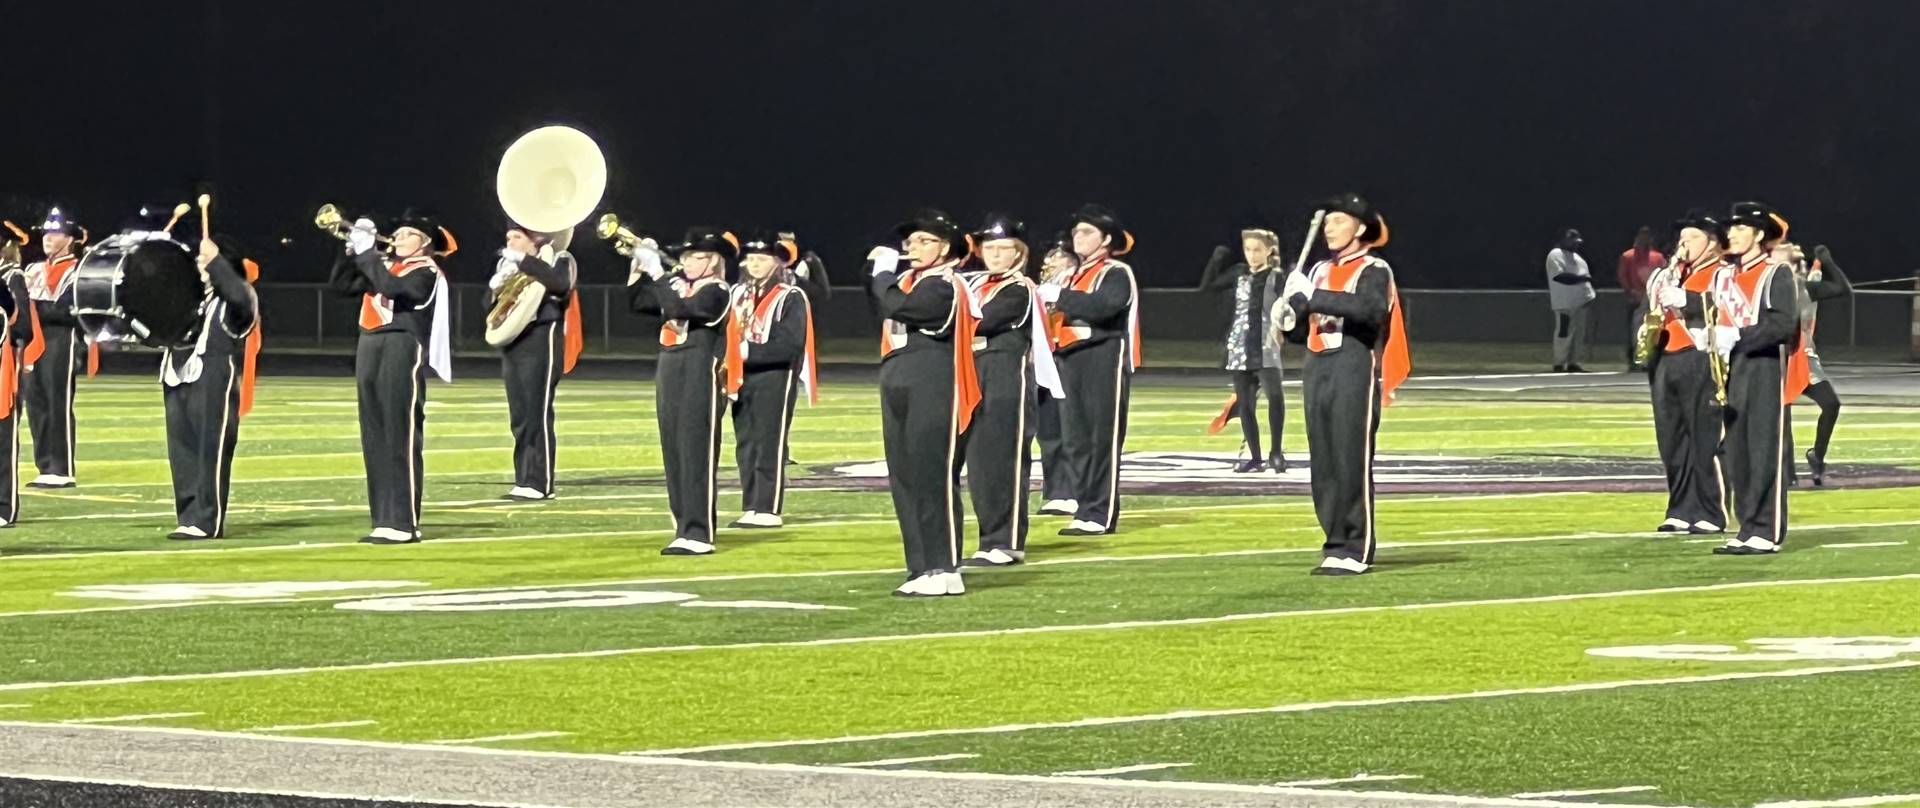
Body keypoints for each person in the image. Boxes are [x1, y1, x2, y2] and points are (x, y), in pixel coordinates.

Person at [1274, 193, 1410, 575]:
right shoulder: (1316, 271)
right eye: (1328, 222)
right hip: (1317, 366)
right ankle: (1335, 542)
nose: (1329, 229)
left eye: (1338, 221)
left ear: (1360, 228)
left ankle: (1356, 546)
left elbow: (1369, 310)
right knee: (1325, 462)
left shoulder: (1374, 268)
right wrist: (1290, 314)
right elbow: (1305, 331)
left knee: (1350, 457)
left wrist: (1312, 296)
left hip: (1353, 364)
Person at [869, 208, 979, 596]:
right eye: (910, 242)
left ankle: (945, 565)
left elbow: (899, 307)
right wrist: (887, 280)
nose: (913, 248)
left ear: (945, 248)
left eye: (924, 241)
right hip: (898, 378)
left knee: (933, 475)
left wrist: (881, 275)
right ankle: (920, 566)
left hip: (934, 381)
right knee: (905, 476)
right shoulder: (907, 282)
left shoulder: (944, 284)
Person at [330, 210, 453, 544]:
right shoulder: (385, 265)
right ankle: (383, 517)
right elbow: (341, 286)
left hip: (402, 342)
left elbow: (392, 288)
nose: (397, 238)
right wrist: (350, 253)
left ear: (424, 243)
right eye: (396, 233)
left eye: (407, 234)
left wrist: (369, 253)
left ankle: (404, 521)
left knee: (399, 431)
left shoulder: (426, 271)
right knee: (374, 433)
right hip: (370, 342)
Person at [961, 213, 1062, 566]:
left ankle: (1006, 541)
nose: (996, 255)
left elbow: (981, 322)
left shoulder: (1019, 289)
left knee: (1003, 462)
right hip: (974, 377)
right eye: (990, 248)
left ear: (1019, 253)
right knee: (980, 466)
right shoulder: (974, 285)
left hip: (1005, 381)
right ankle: (989, 538)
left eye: (1004, 249)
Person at [629, 228, 734, 555]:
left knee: (696, 450)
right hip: (670, 367)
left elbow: (684, 310)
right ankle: (683, 526)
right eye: (686, 257)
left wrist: (659, 272)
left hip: (699, 369)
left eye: (697, 257)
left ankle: (700, 531)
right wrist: (637, 269)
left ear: (714, 261)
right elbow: (639, 303)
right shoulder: (677, 285)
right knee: (674, 450)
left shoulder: (717, 290)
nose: (688, 263)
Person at [150, 233, 262, 540]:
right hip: (177, 373)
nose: (199, 265)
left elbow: (240, 298)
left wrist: (217, 263)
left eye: (204, 261)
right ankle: (188, 515)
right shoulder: (187, 300)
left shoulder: (236, 299)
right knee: (181, 448)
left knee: (210, 448)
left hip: (213, 375)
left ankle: (207, 519)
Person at [1038, 204, 1141, 537]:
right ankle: (1084, 506)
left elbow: (1105, 307)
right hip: (1069, 359)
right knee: (1076, 439)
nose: (1077, 237)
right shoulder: (1072, 274)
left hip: (1102, 358)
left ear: (1106, 239)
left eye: (1086, 232)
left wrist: (1060, 296)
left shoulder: (1115, 272)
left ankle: (1100, 512)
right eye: (1076, 232)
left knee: (1101, 438)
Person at [1710, 201, 1802, 556]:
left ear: (1759, 234)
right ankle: (1747, 525)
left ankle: (1766, 529)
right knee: (1736, 453)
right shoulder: (1724, 276)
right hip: (1731, 370)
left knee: (1763, 450)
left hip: (1763, 368)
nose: (1731, 234)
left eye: (1740, 228)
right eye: (1730, 228)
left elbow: (1782, 325)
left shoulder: (1775, 274)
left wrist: (1740, 337)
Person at [1644, 210, 1729, 535]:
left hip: (1699, 357)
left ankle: (1710, 511)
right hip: (1665, 360)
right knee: (1671, 440)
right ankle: (1679, 508)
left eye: (1692, 238)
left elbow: (1726, 306)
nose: (1684, 244)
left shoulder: (1720, 273)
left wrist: (1689, 301)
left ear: (1712, 245)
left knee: (1703, 439)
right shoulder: (1669, 273)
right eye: (1682, 238)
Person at [724, 232, 817, 529]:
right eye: (750, 259)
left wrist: (747, 349)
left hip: (775, 375)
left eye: (762, 259)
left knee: (769, 440)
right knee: (746, 441)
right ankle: (751, 503)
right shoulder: (738, 293)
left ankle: (768, 506)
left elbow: (790, 345)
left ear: (776, 262)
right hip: (742, 375)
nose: (754, 264)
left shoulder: (790, 296)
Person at [490, 223, 581, 501]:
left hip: (541, 340)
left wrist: (525, 262)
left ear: (535, 240)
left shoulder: (560, 258)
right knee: (520, 414)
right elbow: (493, 308)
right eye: (509, 237)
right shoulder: (512, 265)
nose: (510, 242)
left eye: (516, 237)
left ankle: (540, 481)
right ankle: (524, 478)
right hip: (515, 340)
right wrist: (500, 281)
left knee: (536, 411)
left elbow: (559, 284)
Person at [1198, 226, 1287, 472]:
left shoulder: (1277, 276)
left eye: (1257, 250)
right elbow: (1208, 287)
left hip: (1266, 345)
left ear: (1269, 251)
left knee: (1275, 398)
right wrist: (1216, 260)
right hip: (1239, 345)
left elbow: (1290, 309)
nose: (1252, 254)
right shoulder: (1238, 273)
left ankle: (1276, 453)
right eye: (1248, 249)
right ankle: (1255, 457)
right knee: (1245, 403)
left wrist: (1286, 320)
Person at [22, 208, 88, 488]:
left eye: (56, 232)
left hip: (62, 339)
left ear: (70, 238)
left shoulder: (79, 270)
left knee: (56, 401)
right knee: (35, 404)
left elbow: (69, 311)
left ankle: (61, 467)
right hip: (33, 342)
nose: (48, 237)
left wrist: (31, 306)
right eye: (47, 232)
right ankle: (45, 465)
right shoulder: (33, 269)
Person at [1777, 242, 1849, 486]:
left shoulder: (1807, 288)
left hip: (1805, 358)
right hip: (1778, 359)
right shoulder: (1771, 287)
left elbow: (1842, 288)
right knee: (1781, 416)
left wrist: (1827, 262)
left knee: (1831, 404)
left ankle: (1817, 456)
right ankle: (1786, 474)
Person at [1033, 236, 1079, 515]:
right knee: (1048, 431)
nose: (1049, 261)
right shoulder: (1040, 289)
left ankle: (1074, 490)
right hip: (1043, 362)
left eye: (1057, 255)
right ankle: (1056, 491)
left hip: (1068, 361)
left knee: (1070, 430)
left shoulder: (1076, 286)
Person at [0, 223, 36, 526]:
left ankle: (3, 507)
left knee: (2, 439)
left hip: (4, 366)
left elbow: (24, 326)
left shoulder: (12, 278)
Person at [1618, 226, 1666, 371]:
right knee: (1634, 330)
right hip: (1636, 299)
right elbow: (1622, 275)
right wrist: (1630, 291)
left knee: (1652, 329)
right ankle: (1635, 360)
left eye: (1648, 236)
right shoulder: (1628, 256)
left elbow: (1663, 275)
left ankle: (1649, 359)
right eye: (1642, 235)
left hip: (1653, 300)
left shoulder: (1657, 256)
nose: (1645, 239)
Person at [1546, 228, 1594, 373]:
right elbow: (1560, 277)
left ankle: (1574, 362)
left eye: (1577, 242)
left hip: (1581, 302)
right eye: (1572, 241)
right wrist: (1582, 279)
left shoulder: (1579, 259)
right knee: (1564, 332)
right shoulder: (1555, 255)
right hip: (1564, 302)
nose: (1575, 244)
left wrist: (1589, 296)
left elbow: (1587, 281)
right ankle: (1559, 362)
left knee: (1579, 334)